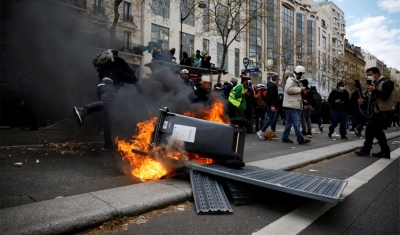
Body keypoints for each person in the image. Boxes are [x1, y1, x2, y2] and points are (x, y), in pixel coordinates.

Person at [73, 49, 141, 151]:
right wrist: (134, 77)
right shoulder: (117, 69)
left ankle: (108, 145)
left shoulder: (105, 68)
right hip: (108, 87)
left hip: (102, 87)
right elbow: (131, 79)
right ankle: (83, 110)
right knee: (107, 104)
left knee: (109, 118)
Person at [355, 67, 395, 158]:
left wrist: (374, 90)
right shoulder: (373, 85)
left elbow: (385, 96)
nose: (369, 77)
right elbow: (372, 100)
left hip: (384, 111)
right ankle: (385, 151)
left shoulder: (387, 83)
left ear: (377, 74)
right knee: (378, 132)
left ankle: (366, 149)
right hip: (375, 112)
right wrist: (363, 101)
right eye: (367, 76)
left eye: (370, 75)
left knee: (370, 129)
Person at [281, 66, 311, 144]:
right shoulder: (291, 80)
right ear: (298, 73)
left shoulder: (294, 80)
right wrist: (300, 89)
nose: (301, 76)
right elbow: (288, 90)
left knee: (290, 122)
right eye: (301, 74)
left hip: (293, 104)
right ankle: (300, 139)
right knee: (296, 122)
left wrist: (301, 91)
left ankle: (285, 136)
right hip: (292, 104)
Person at [257, 74, 280, 140]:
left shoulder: (272, 86)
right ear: (276, 79)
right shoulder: (272, 86)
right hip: (271, 105)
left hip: (272, 105)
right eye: (278, 79)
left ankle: (273, 133)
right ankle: (261, 131)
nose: (279, 81)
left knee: (273, 119)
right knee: (271, 119)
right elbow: (270, 97)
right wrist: (272, 106)